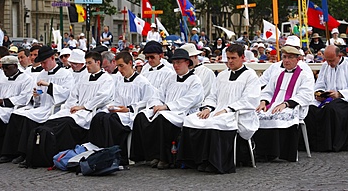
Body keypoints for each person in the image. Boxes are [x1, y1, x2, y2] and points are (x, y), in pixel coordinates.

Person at [178, 44, 260, 173]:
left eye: (233, 58)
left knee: (215, 122)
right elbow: (213, 96)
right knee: (191, 119)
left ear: (242, 57)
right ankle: (195, 160)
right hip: (218, 111)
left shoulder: (251, 76)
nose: (230, 61)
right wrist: (207, 108)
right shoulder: (222, 75)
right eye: (228, 58)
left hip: (239, 114)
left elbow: (249, 100)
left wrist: (228, 110)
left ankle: (215, 162)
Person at [0, 46, 74, 166]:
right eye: (41, 63)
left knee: (29, 118)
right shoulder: (41, 75)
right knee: (16, 114)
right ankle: (9, 152)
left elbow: (66, 93)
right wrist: (36, 95)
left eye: (44, 62)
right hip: (41, 106)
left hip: (54, 107)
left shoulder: (66, 74)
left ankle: (26, 153)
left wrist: (49, 86)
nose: (42, 66)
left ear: (53, 58)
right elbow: (39, 95)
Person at [131, 49, 204, 170]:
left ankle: (165, 158)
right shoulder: (171, 78)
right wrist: (156, 105)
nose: (176, 66)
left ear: (187, 63)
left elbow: (190, 100)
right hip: (167, 110)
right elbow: (158, 94)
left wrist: (167, 107)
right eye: (174, 63)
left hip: (182, 112)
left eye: (179, 62)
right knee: (142, 116)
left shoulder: (194, 80)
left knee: (162, 119)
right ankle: (148, 155)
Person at [39, 51, 114, 157]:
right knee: (52, 120)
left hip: (89, 111)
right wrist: (70, 106)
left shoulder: (107, 79)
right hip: (77, 110)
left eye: (89, 63)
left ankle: (62, 153)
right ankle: (46, 152)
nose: (87, 66)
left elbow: (102, 97)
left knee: (66, 123)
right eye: (86, 63)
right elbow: (74, 95)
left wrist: (83, 107)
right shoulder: (84, 78)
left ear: (98, 62)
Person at [89, 51, 155, 166]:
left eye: (121, 66)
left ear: (130, 63)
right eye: (118, 66)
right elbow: (115, 99)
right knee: (99, 117)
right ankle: (98, 152)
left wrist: (128, 108)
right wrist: (112, 107)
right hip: (119, 111)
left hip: (131, 114)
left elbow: (147, 101)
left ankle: (115, 155)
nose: (119, 69)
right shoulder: (119, 81)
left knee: (110, 120)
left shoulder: (142, 82)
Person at [254, 46, 314, 162]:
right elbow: (268, 91)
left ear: (298, 59)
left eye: (290, 57)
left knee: (281, 115)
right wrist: (263, 102)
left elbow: (305, 95)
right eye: (284, 57)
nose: (286, 60)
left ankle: (281, 153)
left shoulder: (305, 76)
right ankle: (262, 153)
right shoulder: (277, 74)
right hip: (273, 104)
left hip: (294, 106)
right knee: (257, 114)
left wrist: (286, 104)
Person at [0, 56, 33, 161]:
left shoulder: (26, 79)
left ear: (15, 66)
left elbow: (24, 97)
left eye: (7, 68)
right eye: (3, 68)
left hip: (14, 108)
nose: (4, 70)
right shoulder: (2, 79)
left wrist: (3, 102)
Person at [304, 45, 348, 152]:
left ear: (339, 56)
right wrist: (319, 93)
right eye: (327, 60)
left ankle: (330, 144)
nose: (329, 63)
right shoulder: (325, 65)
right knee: (309, 109)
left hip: (344, 100)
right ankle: (314, 144)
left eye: (331, 60)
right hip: (327, 99)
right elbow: (320, 84)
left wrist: (340, 94)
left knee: (331, 109)